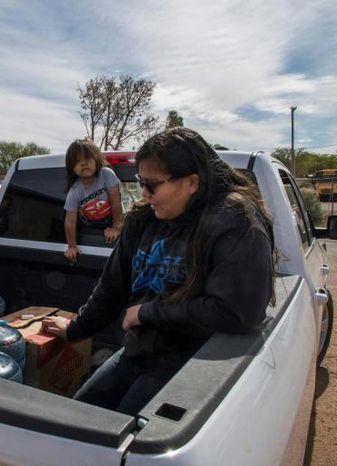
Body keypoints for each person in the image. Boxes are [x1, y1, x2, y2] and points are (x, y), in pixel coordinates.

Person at [42, 127, 274, 415]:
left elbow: (236, 311)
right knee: (74, 418)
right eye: (141, 182)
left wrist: (147, 312)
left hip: (188, 367)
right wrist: (75, 329)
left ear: (192, 182)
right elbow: (112, 285)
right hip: (136, 352)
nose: (145, 194)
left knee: (119, 439)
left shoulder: (234, 222)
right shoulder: (144, 218)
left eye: (152, 185)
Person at [63, 139, 123, 262]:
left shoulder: (106, 174)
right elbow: (70, 222)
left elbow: (116, 204)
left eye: (87, 159)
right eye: (77, 161)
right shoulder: (75, 190)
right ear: (71, 167)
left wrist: (116, 227)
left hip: (110, 220)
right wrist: (72, 246)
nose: (84, 163)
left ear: (96, 159)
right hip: (90, 227)